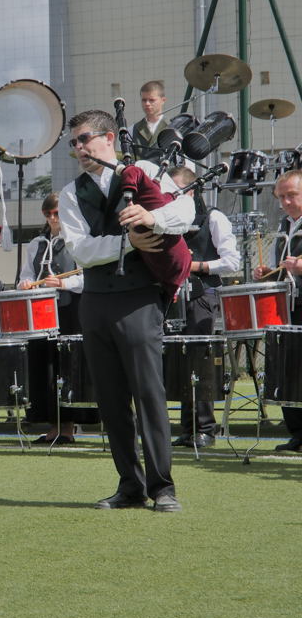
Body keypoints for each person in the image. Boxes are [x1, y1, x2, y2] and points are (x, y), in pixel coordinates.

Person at [58, 109, 193, 512]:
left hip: (138, 297)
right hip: (96, 301)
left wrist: (152, 216)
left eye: (86, 139)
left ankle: (162, 487)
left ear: (110, 137)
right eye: (75, 143)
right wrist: (130, 241)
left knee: (148, 393)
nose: (80, 148)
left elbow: (185, 212)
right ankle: (129, 486)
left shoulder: (146, 168)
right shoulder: (69, 193)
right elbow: (79, 249)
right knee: (111, 399)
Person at [168, 166, 240, 449]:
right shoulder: (169, 220)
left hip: (203, 295)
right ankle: (187, 428)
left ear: (192, 190)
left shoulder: (213, 217)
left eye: (175, 191)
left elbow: (231, 261)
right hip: (175, 298)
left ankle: (206, 428)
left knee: (200, 359)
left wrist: (196, 266)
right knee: (180, 361)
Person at [17, 193, 91, 445]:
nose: (52, 218)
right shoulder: (36, 243)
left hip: (71, 310)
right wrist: (24, 284)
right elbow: (26, 274)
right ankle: (54, 425)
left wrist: (63, 282)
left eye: (56, 213)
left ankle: (69, 427)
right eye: (48, 213)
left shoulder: (78, 240)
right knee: (44, 368)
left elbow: (88, 277)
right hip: (41, 312)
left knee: (68, 367)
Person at [252, 169, 302, 451]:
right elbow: (281, 269)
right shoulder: (284, 226)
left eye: (291, 195)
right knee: (288, 369)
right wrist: (266, 273)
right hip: (288, 305)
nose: (285, 202)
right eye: (281, 197)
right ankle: (297, 433)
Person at [131, 80, 169, 165]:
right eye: (144, 100)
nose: (147, 104)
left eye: (152, 100)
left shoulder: (172, 127)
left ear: (163, 100)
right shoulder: (132, 129)